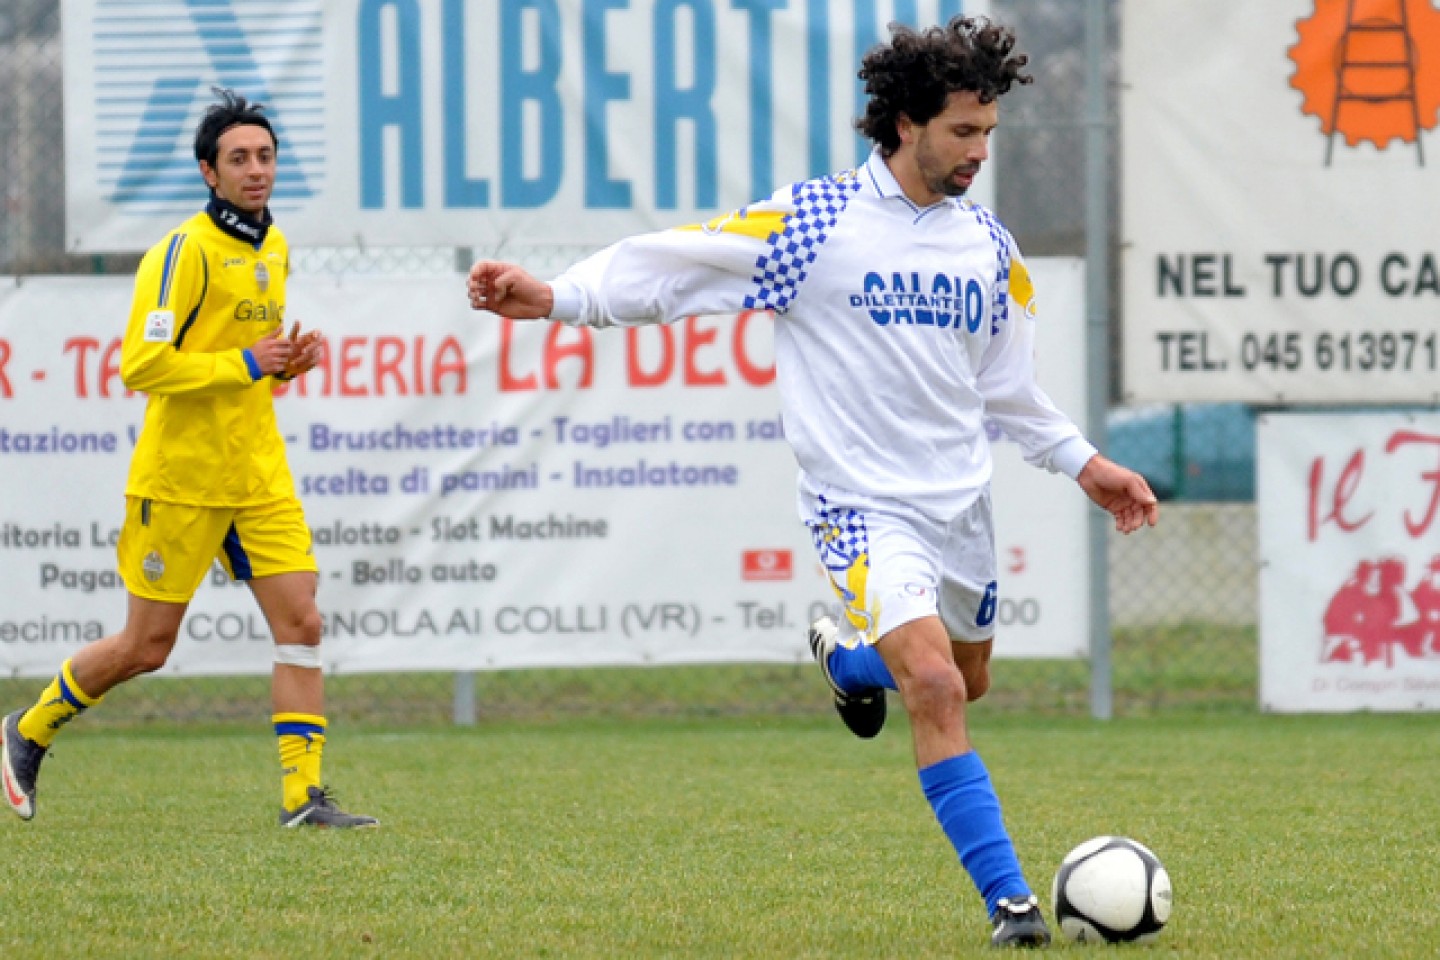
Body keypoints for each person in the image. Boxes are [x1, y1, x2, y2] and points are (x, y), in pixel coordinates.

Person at [465, 17, 1156, 949]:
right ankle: (1013, 903)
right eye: (963, 131)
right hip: (859, 506)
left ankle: (847, 662)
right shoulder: (815, 221)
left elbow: (1010, 392)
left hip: (961, 503)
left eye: (989, 133)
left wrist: (1088, 464)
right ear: (905, 123)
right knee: (936, 689)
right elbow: (673, 262)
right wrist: (556, 296)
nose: (979, 152)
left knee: (968, 678)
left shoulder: (990, 249)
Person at [1, 89, 377, 830]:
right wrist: (245, 361)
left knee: (301, 622)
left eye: (265, 155)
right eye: (238, 158)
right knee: (147, 646)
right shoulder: (183, 251)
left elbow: (248, 367)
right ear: (210, 173)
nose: (256, 169)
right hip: (183, 479)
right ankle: (27, 729)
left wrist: (285, 365)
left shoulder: (274, 246)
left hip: (258, 472)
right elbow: (142, 364)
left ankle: (304, 799)